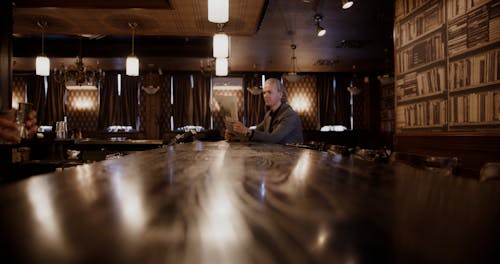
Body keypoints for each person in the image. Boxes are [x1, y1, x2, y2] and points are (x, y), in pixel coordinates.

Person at [226, 78, 303, 144]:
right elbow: (255, 131)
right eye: (264, 93)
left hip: (291, 158)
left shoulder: (290, 115)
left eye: (269, 92)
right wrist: (235, 135)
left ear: (280, 95)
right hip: (277, 157)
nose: (265, 96)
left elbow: (274, 138)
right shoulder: (269, 114)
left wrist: (247, 131)